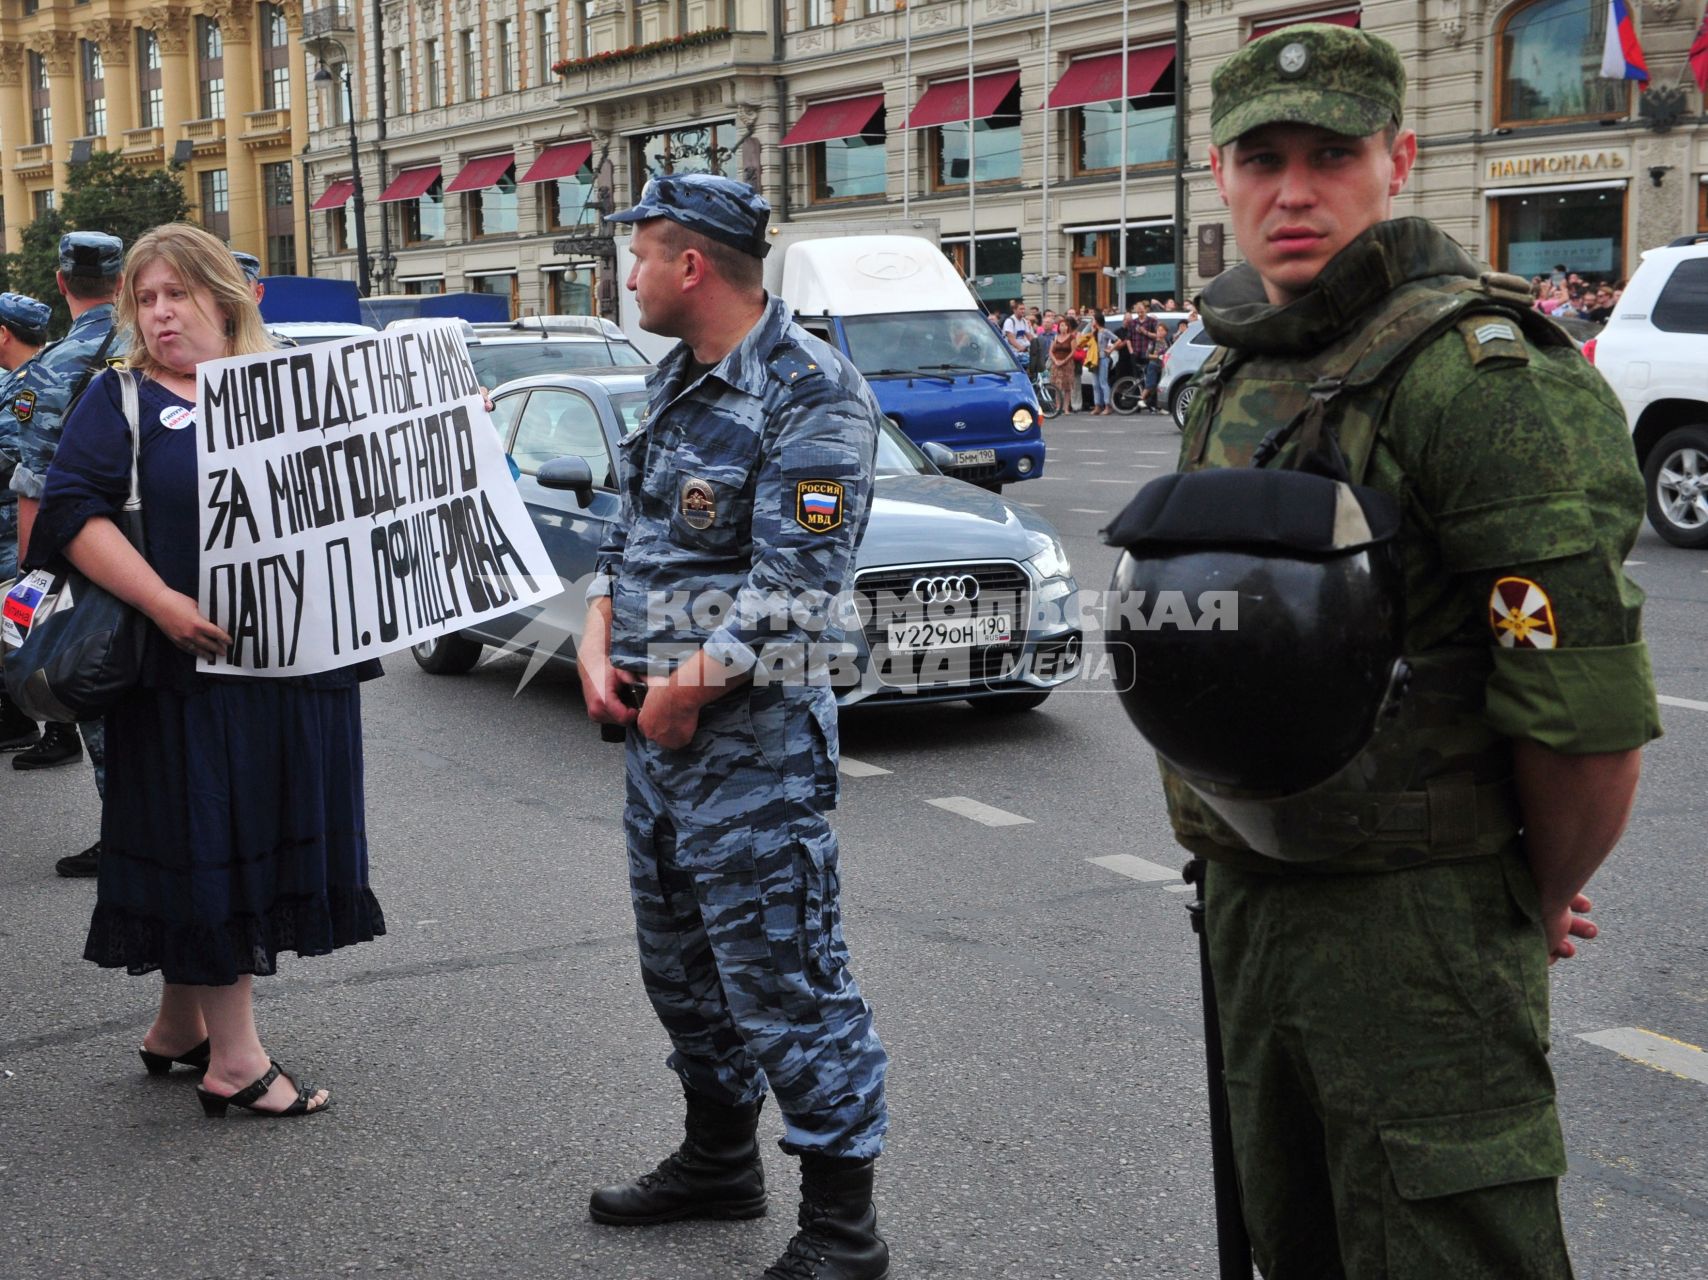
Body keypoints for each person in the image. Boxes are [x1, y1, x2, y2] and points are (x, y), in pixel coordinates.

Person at [1155, 24, 1660, 1277]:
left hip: (1417, 928)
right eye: (1260, 156)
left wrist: (1525, 896)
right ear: (1218, 172)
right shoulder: (1231, 370)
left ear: (1399, 157)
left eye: (1330, 153)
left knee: (1443, 1242)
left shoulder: (1482, 379)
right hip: (1244, 904)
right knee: (1293, 1237)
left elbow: (1584, 719)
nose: (1292, 189)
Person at [581, 173, 890, 1280]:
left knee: (789, 977)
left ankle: (843, 1229)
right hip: (659, 748)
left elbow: (798, 586)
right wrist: (595, 629)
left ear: (692, 264)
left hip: (751, 749)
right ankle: (719, 1160)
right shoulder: (674, 380)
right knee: (683, 970)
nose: (630, 276)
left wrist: (685, 687)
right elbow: (630, 535)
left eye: (641, 255)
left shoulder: (812, 393)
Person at [23, 222, 385, 1115]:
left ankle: (180, 1027)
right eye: (144, 299)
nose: (158, 314)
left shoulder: (293, 386)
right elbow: (71, 512)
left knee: (237, 838)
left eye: (175, 293)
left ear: (223, 298)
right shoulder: (122, 398)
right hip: (188, 681)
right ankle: (236, 1061)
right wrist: (163, 603)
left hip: (297, 671)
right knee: (214, 842)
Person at [5, 232, 126, 870]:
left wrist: (31, 583)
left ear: (60, 282)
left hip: (91, 559)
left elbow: (35, 480)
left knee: (99, 691)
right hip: (170, 549)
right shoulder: (163, 340)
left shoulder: (54, 366)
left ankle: (126, 837)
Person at [0, 291, 51, 752]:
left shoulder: (27, 386)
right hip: (14, 523)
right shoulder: (17, 381)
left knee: (21, 624)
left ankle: (51, 724)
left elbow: (18, 457)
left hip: (17, 527)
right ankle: (19, 718)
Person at [1048, 316, 1078, 413]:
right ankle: (1058, 407)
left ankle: (1066, 408)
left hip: (1067, 364)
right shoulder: (1055, 337)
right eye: (1061, 326)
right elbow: (1051, 351)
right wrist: (1055, 360)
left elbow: (1073, 351)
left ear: (1067, 327)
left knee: (1067, 387)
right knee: (1057, 386)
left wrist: (1064, 360)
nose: (1063, 328)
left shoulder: (1071, 337)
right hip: (1056, 364)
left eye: (1065, 326)